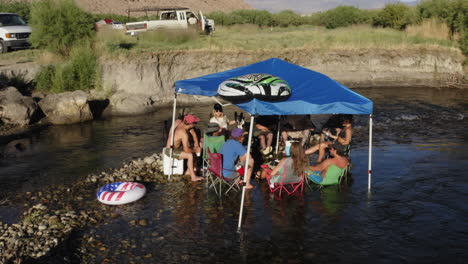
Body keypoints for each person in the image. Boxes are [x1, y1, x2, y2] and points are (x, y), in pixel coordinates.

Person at [166, 114, 204, 181]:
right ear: (191, 124)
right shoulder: (183, 133)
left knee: (192, 148)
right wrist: (196, 150)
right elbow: (186, 150)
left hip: (177, 147)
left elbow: (193, 133)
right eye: (195, 123)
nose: (195, 125)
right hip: (170, 151)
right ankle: (193, 177)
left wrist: (196, 145)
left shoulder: (182, 124)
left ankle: (189, 170)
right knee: (189, 155)